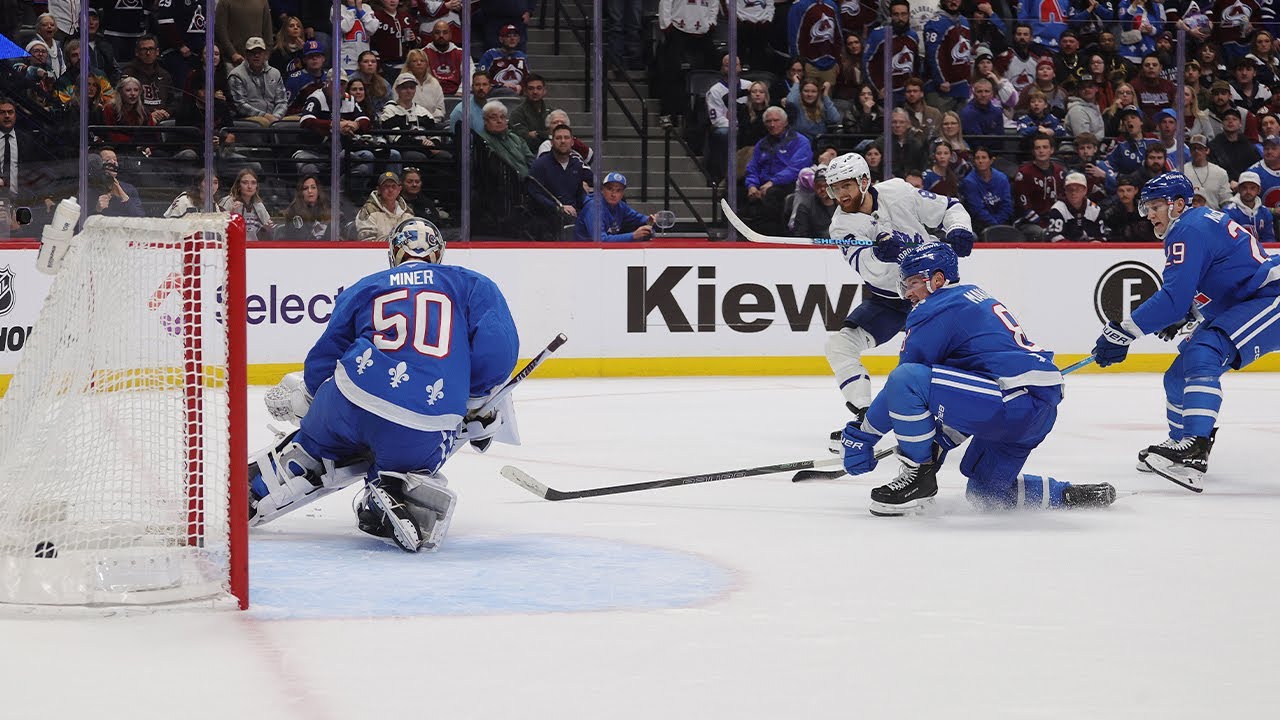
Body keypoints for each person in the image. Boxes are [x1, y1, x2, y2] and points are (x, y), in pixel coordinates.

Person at [248, 218, 520, 552]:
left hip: (350, 398)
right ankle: (393, 488)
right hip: (422, 422)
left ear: (393, 253)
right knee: (415, 456)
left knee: (317, 442)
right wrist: (474, 400)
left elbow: (325, 357)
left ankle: (270, 479)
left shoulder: (366, 286)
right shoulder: (473, 284)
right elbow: (499, 350)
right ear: (439, 253)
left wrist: (315, 399)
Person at [839, 241, 1115, 515]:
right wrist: (941, 439)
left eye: (913, 283)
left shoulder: (935, 307)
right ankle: (1065, 494)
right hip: (1033, 410)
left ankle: (919, 478)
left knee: (907, 379)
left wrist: (862, 435)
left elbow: (902, 386)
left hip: (1012, 401)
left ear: (937, 279)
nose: (908, 292)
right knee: (987, 495)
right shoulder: (970, 296)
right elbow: (967, 384)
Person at [1092, 172, 1280, 491]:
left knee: (1204, 353)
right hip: (1246, 301)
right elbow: (1221, 275)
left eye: (1155, 206)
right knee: (1177, 376)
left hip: (1269, 297)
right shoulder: (1196, 223)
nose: (1149, 214)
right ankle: (1179, 444)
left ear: (1178, 205)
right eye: (1146, 207)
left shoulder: (1187, 229)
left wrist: (1122, 332)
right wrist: (1189, 311)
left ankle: (1193, 451)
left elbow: (1173, 298)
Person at [820, 152, 975, 448]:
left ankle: (972, 408)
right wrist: (884, 254)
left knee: (950, 356)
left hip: (931, 292)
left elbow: (949, 207)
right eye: (835, 188)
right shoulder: (841, 227)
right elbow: (868, 269)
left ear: (864, 181)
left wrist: (959, 228)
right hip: (889, 299)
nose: (841, 194)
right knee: (839, 346)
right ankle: (866, 418)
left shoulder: (898, 191)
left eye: (846, 185)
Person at [574, 172, 655, 242]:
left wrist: (651, 219)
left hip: (605, 251)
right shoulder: (593, 207)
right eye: (610, 189)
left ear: (622, 193)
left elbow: (640, 218)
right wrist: (633, 236)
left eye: (618, 190)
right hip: (584, 251)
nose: (613, 194)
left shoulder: (621, 206)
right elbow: (600, 240)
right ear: (602, 190)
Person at [1044, 172, 1107, 242]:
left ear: (1085, 191)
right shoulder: (1058, 209)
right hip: (1065, 248)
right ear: (1065, 191)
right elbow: (1054, 237)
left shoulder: (1095, 210)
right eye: (1070, 189)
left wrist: (1095, 242)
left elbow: (1101, 237)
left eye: (1077, 189)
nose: (1073, 193)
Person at [356, 171, 415, 240]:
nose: (390, 190)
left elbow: (413, 237)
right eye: (386, 186)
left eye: (393, 186)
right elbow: (366, 240)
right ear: (379, 189)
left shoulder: (407, 212)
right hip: (377, 247)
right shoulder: (368, 210)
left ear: (399, 189)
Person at [1221, 171, 1276, 244]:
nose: (1248, 192)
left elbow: (1269, 238)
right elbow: (1226, 240)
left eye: (1252, 188)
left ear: (1259, 190)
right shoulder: (1229, 212)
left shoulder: (1265, 212)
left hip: (1261, 249)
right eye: (1244, 188)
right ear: (1239, 189)